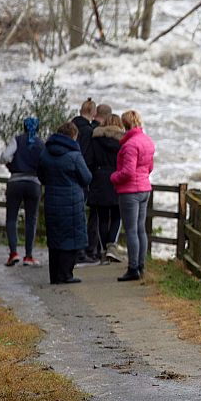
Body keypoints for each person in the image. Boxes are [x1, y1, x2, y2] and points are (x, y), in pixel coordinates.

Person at [37, 121, 92, 284]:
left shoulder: (45, 153)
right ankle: (66, 274)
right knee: (71, 237)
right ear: (73, 136)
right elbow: (87, 177)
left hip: (52, 199)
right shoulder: (74, 155)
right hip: (71, 201)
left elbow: (40, 175)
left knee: (55, 237)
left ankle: (54, 276)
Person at [110, 110, 155, 282]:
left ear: (124, 125)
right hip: (144, 188)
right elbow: (149, 167)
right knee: (140, 229)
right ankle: (141, 266)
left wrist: (113, 177)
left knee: (131, 230)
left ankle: (133, 268)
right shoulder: (147, 141)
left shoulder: (130, 145)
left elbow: (128, 172)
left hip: (130, 191)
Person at [0, 117, 45, 267]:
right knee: (31, 220)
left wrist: (11, 164)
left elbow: (5, 157)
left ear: (23, 127)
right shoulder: (41, 144)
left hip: (15, 182)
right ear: (37, 128)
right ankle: (29, 256)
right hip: (33, 184)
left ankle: (13, 253)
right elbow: (45, 163)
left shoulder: (17, 140)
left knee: (11, 218)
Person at [88, 113, 124, 261]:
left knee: (102, 217)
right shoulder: (123, 142)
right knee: (117, 215)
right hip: (117, 178)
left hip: (99, 178)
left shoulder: (95, 140)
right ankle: (112, 246)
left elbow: (89, 161)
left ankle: (103, 250)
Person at [72, 97, 101, 265]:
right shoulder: (89, 131)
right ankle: (82, 252)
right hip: (83, 175)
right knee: (82, 215)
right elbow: (88, 155)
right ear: (93, 113)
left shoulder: (71, 126)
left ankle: (75, 250)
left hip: (68, 174)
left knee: (74, 213)